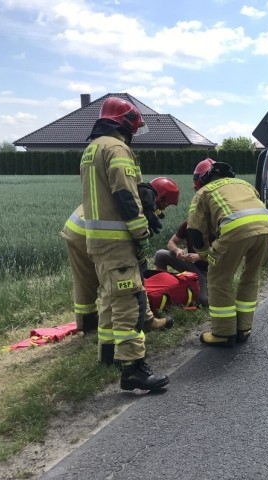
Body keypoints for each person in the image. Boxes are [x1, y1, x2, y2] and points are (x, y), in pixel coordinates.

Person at [79, 96, 169, 391]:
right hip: (118, 241)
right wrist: (141, 230)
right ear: (125, 123)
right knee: (131, 302)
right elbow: (124, 193)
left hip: (98, 241)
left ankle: (108, 352)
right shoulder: (117, 148)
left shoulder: (92, 149)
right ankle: (133, 369)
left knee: (109, 298)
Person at [61, 176, 180, 338]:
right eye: (164, 205)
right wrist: (140, 259)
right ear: (160, 198)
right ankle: (147, 320)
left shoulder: (129, 191)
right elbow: (136, 261)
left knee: (84, 279)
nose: (162, 211)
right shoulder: (141, 205)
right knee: (127, 276)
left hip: (74, 230)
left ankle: (86, 323)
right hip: (95, 234)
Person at [187, 158, 268, 346]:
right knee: (251, 276)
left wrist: (203, 254)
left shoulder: (204, 192)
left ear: (201, 179)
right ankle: (243, 328)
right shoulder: (244, 184)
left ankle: (223, 333)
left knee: (219, 279)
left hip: (235, 230)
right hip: (266, 229)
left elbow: (195, 231)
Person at [153, 219, 209, 307]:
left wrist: (200, 256)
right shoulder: (188, 224)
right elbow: (171, 242)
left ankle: (207, 288)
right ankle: (161, 290)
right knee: (160, 254)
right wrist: (177, 250)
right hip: (191, 266)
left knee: (203, 301)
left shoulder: (214, 227)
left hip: (209, 271)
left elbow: (221, 254)